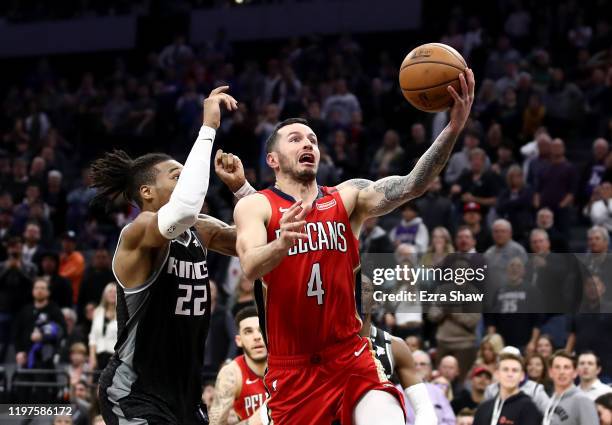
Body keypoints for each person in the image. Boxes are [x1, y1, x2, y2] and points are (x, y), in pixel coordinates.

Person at [229, 67, 475, 423]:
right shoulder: (257, 206)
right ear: (273, 159)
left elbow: (411, 185)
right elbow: (250, 265)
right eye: (296, 139)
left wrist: (452, 129)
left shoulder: (347, 197)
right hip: (293, 367)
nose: (308, 144)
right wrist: (281, 243)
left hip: (349, 355)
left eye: (312, 139)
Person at [93, 86, 239, 425]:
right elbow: (184, 208)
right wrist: (208, 129)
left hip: (184, 395)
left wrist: (241, 189)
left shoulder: (201, 229)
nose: (188, 179)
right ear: (147, 192)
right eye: (177, 175)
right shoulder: (138, 232)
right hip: (135, 392)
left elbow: (260, 239)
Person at [209, 307, 267, 425]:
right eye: (248, 331)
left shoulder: (286, 368)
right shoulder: (231, 374)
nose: (257, 337)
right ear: (238, 341)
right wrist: (256, 420)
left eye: (261, 330)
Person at [474, 352, 542, 425]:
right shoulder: (483, 408)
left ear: (522, 376)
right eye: (505, 370)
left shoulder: (528, 408)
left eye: (514, 370)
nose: (510, 374)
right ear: (497, 374)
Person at [544, 350, 599, 425]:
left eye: (566, 367)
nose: (561, 372)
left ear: (575, 373)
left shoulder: (582, 400)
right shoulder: (552, 399)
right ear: (550, 372)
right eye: (557, 367)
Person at [88, 282, 117, 371]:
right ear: (105, 294)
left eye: (115, 292)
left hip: (115, 356)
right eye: (110, 291)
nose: (112, 294)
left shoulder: (123, 313)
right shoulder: (98, 311)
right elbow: (93, 337)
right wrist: (92, 357)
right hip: (99, 355)